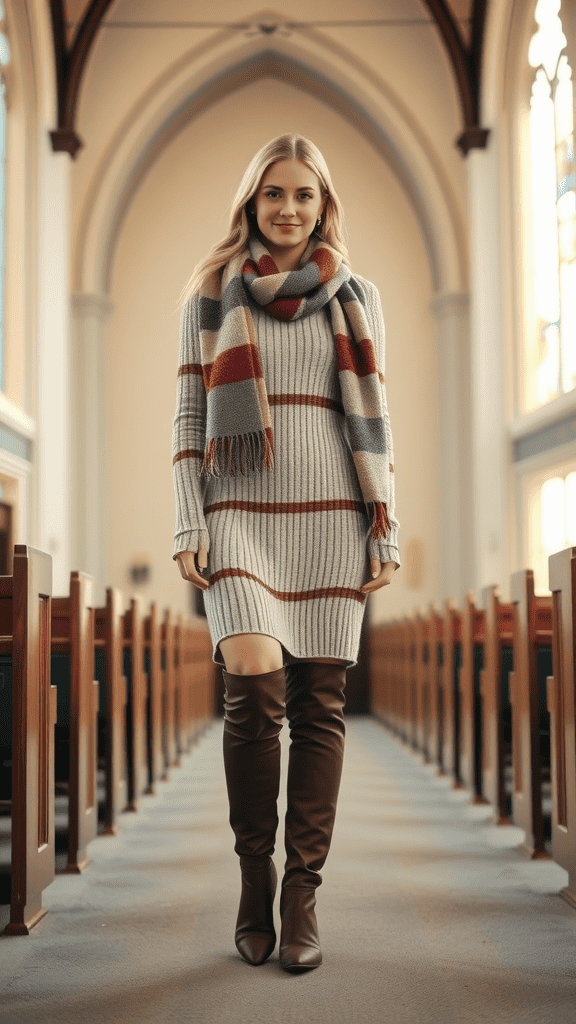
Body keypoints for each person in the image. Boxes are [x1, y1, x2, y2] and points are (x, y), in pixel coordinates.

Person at [171, 133, 401, 972]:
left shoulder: (358, 294)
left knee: (319, 706)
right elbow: (190, 416)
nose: (289, 209)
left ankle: (301, 890)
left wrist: (388, 523)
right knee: (253, 690)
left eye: (304, 194)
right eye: (274, 194)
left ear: (323, 202)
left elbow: (373, 419)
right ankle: (251, 872)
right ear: (250, 202)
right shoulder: (209, 292)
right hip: (240, 512)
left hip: (334, 515)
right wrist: (188, 520)